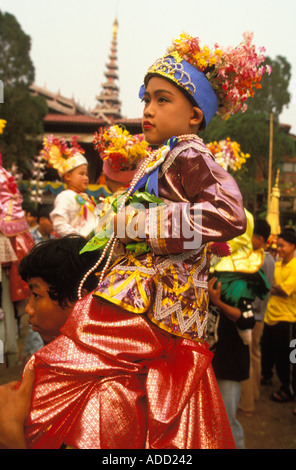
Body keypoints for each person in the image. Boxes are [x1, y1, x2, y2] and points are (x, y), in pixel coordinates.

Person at [8, 31, 269, 449]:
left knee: (74, 354)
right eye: (146, 98)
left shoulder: (189, 153)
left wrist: (144, 224)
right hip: (144, 296)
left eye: (163, 99)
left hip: (155, 300)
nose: (148, 109)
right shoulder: (162, 156)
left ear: (195, 116)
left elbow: (230, 213)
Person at [208, 209, 270, 448]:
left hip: (231, 360)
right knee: (215, 417)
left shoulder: (240, 279)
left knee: (228, 419)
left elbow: (246, 320)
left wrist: (218, 302)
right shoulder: (218, 268)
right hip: (215, 355)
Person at [238, 219, 275, 415]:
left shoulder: (256, 259)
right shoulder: (270, 259)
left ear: (259, 239)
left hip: (251, 314)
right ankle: (255, 395)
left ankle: (246, 404)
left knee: (246, 357)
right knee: (255, 355)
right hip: (261, 315)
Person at [261, 229, 296, 403]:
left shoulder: (295, 267)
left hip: (287, 319)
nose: (279, 249)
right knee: (267, 351)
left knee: (286, 358)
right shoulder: (279, 264)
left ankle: (287, 390)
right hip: (271, 316)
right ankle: (266, 376)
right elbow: (273, 285)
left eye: (282, 246)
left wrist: (268, 287)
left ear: (292, 246)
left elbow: (283, 290)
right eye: (278, 245)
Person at [41, 135, 97, 239]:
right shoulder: (65, 196)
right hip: (70, 246)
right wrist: (78, 237)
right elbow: (59, 224)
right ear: (67, 176)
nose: (86, 178)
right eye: (81, 173)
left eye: (86, 174)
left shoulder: (85, 197)